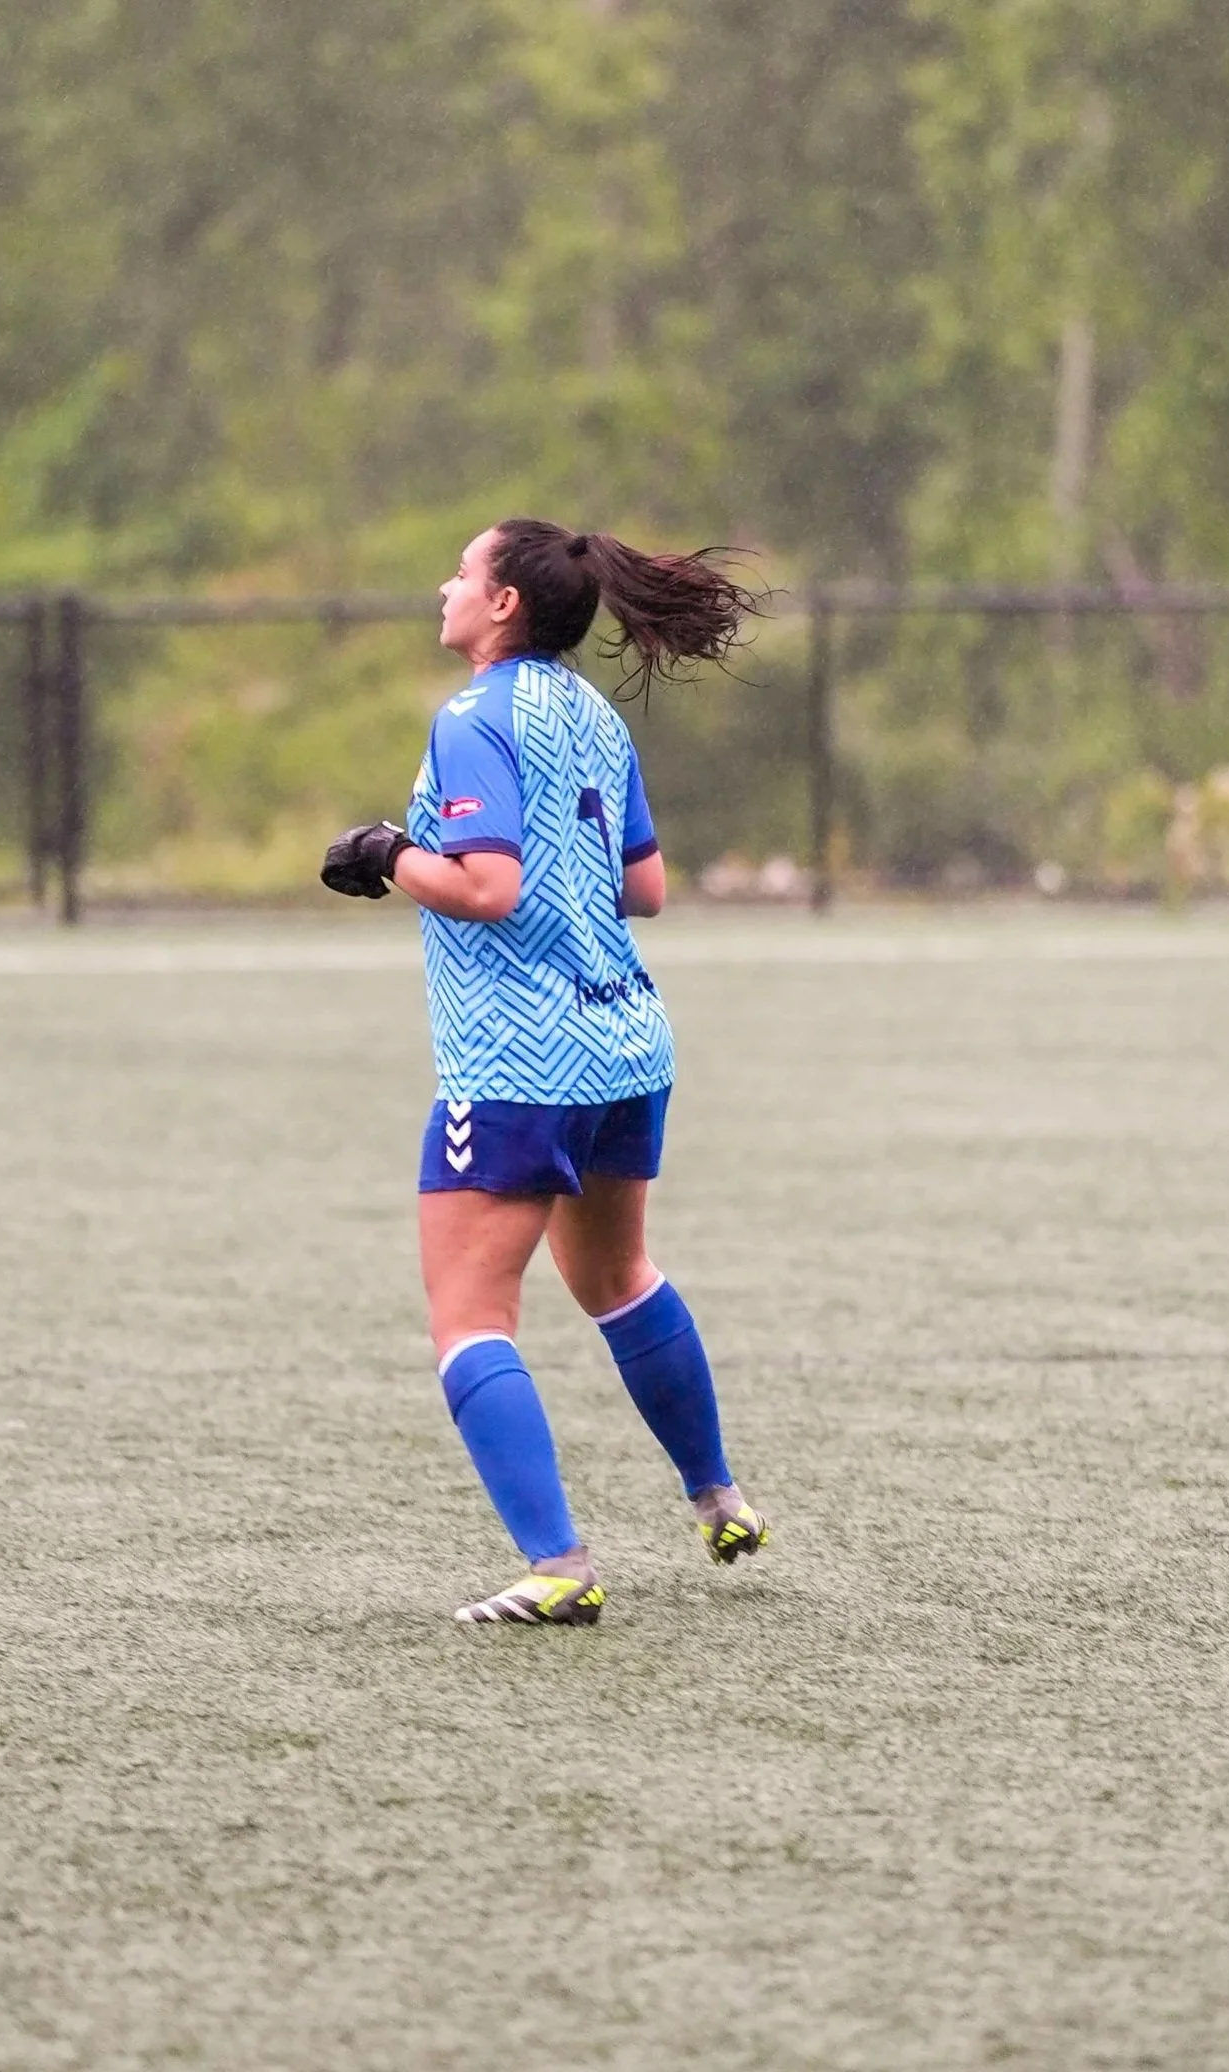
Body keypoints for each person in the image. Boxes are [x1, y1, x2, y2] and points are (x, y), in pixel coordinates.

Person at [321, 518, 769, 1625]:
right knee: (619, 1278)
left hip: (519, 1060)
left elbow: (487, 888)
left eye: (463, 572)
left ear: (505, 604)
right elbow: (647, 885)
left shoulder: (474, 717)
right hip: (626, 1041)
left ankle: (557, 1563)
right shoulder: (593, 715)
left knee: (469, 1313)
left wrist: (387, 853)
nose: (445, 585)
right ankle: (720, 1495)